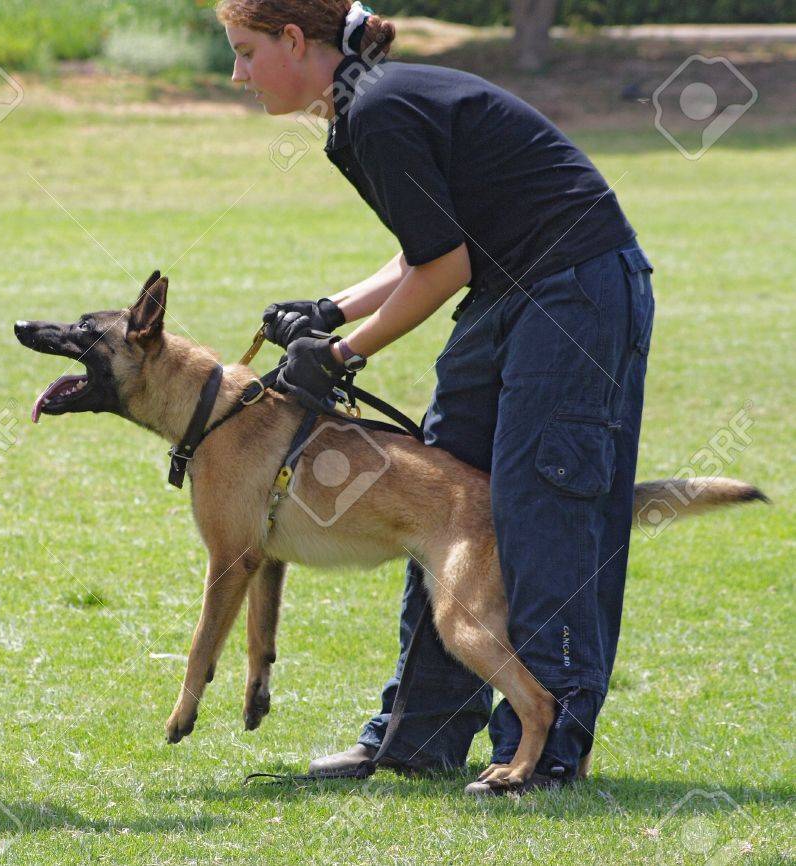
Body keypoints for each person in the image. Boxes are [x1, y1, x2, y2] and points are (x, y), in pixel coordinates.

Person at [217, 0, 654, 794]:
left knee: (540, 504)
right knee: (444, 494)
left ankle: (549, 752)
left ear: (294, 39)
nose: (236, 73)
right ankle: (416, 741)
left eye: (246, 53)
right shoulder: (358, 114)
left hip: (575, 291)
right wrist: (332, 310)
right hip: (509, 292)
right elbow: (430, 245)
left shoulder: (377, 109)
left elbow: (444, 266)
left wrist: (342, 353)